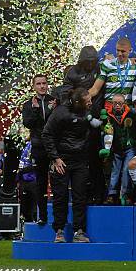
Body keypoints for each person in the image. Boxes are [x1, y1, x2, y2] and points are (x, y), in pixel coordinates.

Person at [42, 88, 93, 243]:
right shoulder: (60, 113)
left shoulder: (87, 112)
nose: (91, 102)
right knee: (60, 196)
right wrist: (55, 158)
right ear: (78, 102)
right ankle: (59, 231)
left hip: (80, 161)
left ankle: (79, 231)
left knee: (80, 197)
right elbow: (47, 134)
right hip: (62, 161)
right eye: (88, 100)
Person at [63, 45, 106, 205]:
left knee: (97, 161)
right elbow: (66, 95)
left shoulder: (101, 68)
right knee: (81, 162)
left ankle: (99, 194)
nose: (89, 64)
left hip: (99, 120)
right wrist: (79, 110)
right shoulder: (73, 73)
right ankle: (83, 195)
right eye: (87, 61)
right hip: (80, 123)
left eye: (92, 61)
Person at [21, 74, 57, 225]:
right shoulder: (28, 104)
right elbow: (28, 124)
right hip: (38, 147)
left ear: (47, 85)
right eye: (38, 84)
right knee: (40, 183)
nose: (42, 86)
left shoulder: (54, 101)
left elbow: (57, 121)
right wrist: (36, 110)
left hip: (54, 146)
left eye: (44, 83)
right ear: (34, 86)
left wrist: (53, 110)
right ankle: (42, 216)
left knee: (57, 182)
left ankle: (58, 217)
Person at [99, 93, 136, 205]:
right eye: (115, 103)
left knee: (127, 170)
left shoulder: (132, 114)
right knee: (115, 172)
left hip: (129, 148)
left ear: (124, 104)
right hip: (116, 149)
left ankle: (125, 195)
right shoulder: (107, 116)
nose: (117, 105)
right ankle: (111, 195)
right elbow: (104, 133)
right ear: (111, 104)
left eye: (120, 103)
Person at [89, 38, 136, 105]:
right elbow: (95, 89)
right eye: (118, 50)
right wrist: (83, 97)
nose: (119, 54)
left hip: (128, 108)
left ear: (130, 50)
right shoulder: (107, 65)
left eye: (123, 51)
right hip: (110, 107)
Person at [18, 140, 39, 222]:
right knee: (24, 205)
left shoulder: (36, 145)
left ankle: (36, 224)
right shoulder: (24, 145)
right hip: (23, 180)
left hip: (33, 180)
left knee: (34, 204)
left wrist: (22, 171)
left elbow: (36, 165)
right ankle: (27, 224)